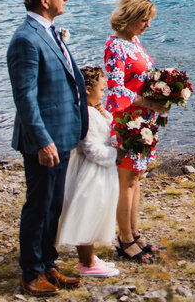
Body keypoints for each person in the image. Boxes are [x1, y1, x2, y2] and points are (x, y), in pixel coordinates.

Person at [7, 0, 87, 297]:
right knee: (38, 205)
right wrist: (41, 140)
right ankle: (31, 273)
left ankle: (48, 264)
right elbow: (24, 97)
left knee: (54, 204)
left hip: (63, 135)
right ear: (45, 0)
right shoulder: (25, 39)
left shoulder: (49, 33)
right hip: (45, 140)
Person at [104, 0, 168, 263]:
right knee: (127, 181)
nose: (148, 25)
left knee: (136, 179)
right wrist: (148, 103)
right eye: (144, 19)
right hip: (129, 121)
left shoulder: (134, 41)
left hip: (144, 121)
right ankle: (124, 239)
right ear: (129, 18)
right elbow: (115, 89)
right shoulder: (115, 47)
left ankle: (134, 232)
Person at [56, 66, 121, 278]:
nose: (104, 94)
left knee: (95, 212)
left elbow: (103, 128)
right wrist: (116, 156)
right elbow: (91, 149)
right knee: (87, 213)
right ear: (87, 90)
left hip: (99, 172)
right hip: (91, 173)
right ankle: (87, 262)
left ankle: (90, 257)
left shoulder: (93, 112)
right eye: (101, 90)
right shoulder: (86, 115)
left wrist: (104, 114)